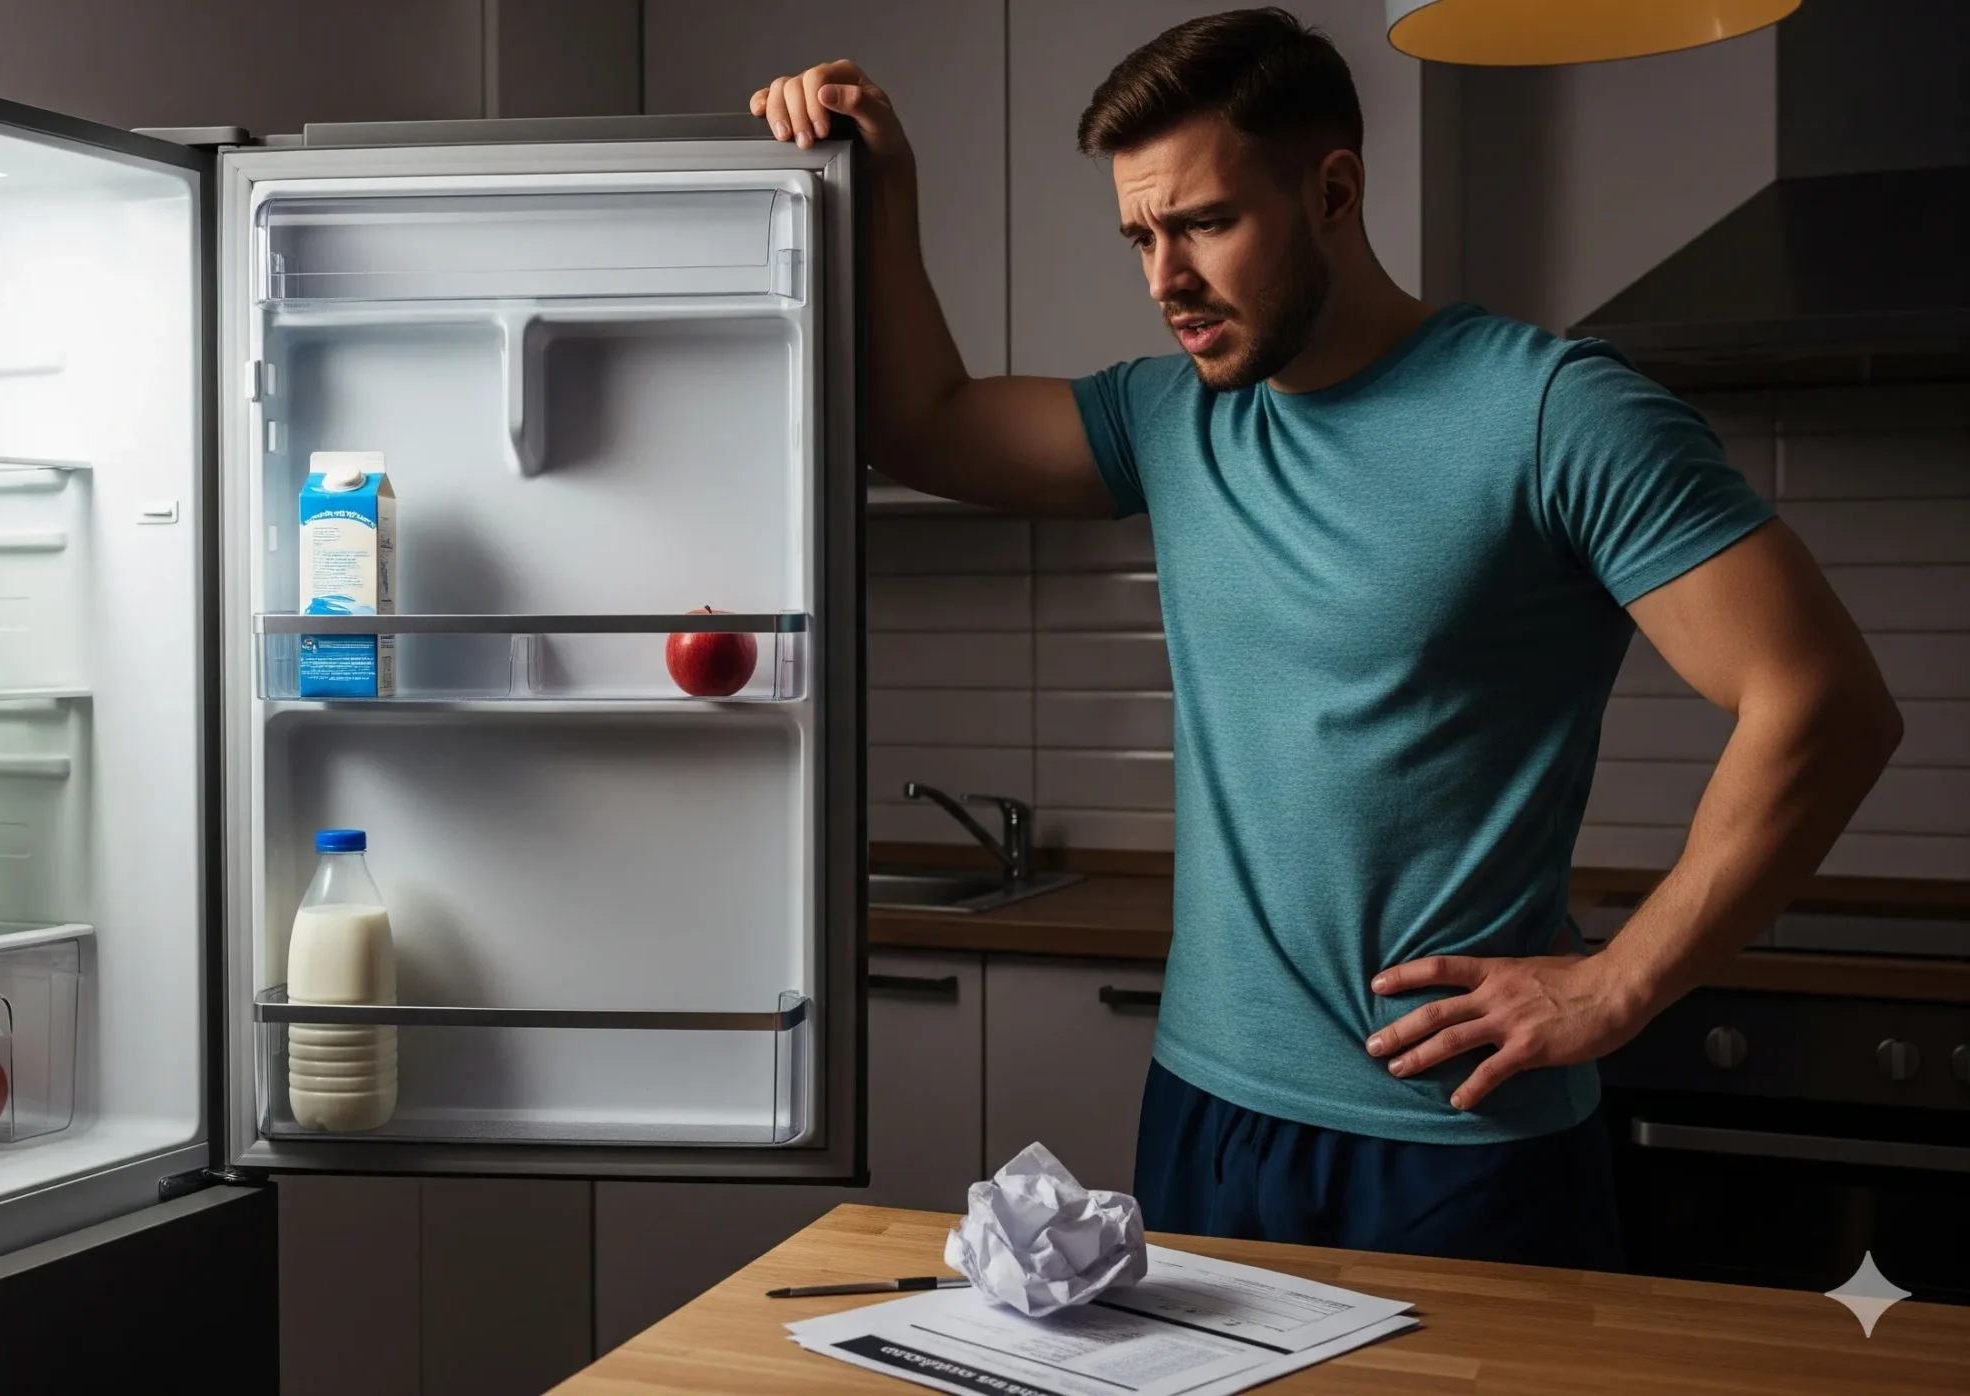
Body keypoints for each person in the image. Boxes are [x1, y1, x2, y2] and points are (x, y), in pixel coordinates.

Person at [753, 8, 1901, 1269]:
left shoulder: (1553, 414)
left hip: (1453, 1139)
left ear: (1334, 190)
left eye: (1201, 223)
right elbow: (920, 427)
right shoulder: (1172, 422)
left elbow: (1822, 702)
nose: (1162, 277)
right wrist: (886, 183)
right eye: (1139, 233)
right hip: (1205, 1111)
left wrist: (1617, 982)